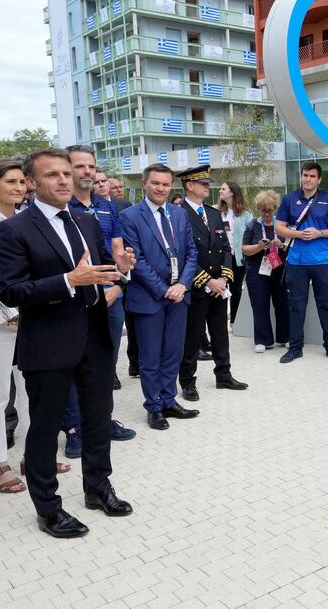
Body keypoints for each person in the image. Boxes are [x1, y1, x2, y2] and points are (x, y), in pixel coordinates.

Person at [0, 148, 135, 537]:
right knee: (44, 428)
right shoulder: (12, 230)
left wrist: (118, 273)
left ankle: (98, 488)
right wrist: (71, 281)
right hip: (49, 342)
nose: (63, 181)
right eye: (52, 175)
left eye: (67, 174)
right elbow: (11, 291)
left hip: (95, 337)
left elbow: (101, 267)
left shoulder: (87, 221)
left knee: (96, 419)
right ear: (33, 183)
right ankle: (48, 508)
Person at [64, 145, 135, 454]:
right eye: (80, 166)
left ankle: (103, 420)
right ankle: (75, 428)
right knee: (73, 365)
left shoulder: (107, 207)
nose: (87, 172)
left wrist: (117, 285)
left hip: (111, 294)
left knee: (104, 363)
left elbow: (117, 253)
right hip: (74, 298)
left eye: (91, 166)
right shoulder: (61, 208)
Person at [119, 164, 201, 430]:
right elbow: (137, 260)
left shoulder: (178, 214)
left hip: (179, 296)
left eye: (165, 184)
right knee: (151, 357)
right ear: (145, 183)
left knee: (173, 353)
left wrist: (183, 285)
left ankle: (169, 400)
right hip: (149, 297)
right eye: (155, 183)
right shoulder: (130, 216)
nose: (161, 188)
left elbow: (191, 253)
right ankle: (153, 406)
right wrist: (164, 288)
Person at [175, 166, 247, 400]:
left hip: (218, 285)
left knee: (220, 333)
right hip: (196, 287)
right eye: (203, 183)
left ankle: (223, 375)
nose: (209, 186)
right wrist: (208, 281)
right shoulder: (178, 213)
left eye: (208, 182)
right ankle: (187, 382)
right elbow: (181, 254)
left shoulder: (214, 213)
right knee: (192, 336)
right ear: (189, 185)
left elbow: (225, 248)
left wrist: (224, 278)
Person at [0, 158, 29, 495]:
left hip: (34, 317)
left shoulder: (29, 221)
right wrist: (7, 313)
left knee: (32, 389)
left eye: (21, 182)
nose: (18, 188)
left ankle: (33, 455)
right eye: (10, 182)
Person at [276, 162, 328, 362]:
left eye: (312, 176)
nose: (308, 179)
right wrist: (298, 234)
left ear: (319, 179)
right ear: (301, 176)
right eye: (305, 175)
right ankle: (295, 347)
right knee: (296, 305)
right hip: (296, 261)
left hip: (322, 260)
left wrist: (319, 233)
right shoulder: (289, 199)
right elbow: (279, 227)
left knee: (325, 304)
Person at [241, 190, 289, 353]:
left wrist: (281, 245)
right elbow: (245, 249)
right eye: (263, 210)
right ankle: (263, 340)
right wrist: (259, 246)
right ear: (259, 209)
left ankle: (285, 337)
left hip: (278, 269)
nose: (267, 213)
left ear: (275, 209)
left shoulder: (281, 225)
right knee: (260, 305)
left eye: (270, 210)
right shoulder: (251, 225)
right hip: (257, 270)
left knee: (282, 303)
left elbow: (289, 247)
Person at [218, 181, 253, 326]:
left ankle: (235, 321)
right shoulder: (217, 212)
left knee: (236, 289)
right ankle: (219, 321)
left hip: (239, 258)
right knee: (221, 288)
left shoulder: (246, 214)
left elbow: (252, 234)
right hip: (222, 257)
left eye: (223, 188)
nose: (220, 191)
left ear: (232, 192)